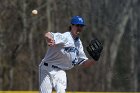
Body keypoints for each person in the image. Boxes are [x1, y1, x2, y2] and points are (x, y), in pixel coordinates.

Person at [39, 16, 96, 93]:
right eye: (77, 25)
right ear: (72, 26)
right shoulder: (65, 37)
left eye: (81, 26)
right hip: (46, 68)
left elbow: (84, 63)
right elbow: (48, 34)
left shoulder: (78, 44)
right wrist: (50, 39)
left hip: (60, 71)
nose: (79, 28)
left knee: (61, 91)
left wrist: (94, 59)